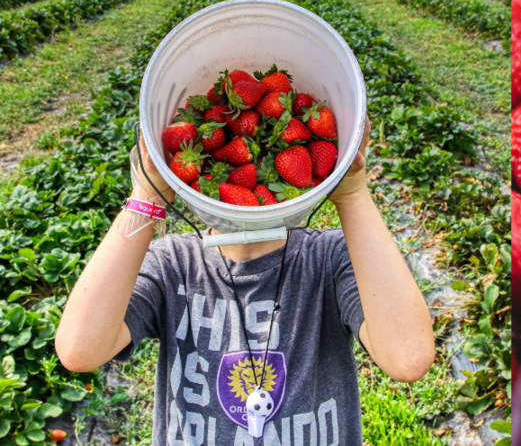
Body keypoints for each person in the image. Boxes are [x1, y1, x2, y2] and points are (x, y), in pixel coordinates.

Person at [54, 120, 435, 444]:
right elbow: (79, 350)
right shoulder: (172, 264)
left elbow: (408, 357)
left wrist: (352, 194)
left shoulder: (329, 260)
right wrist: (145, 195)